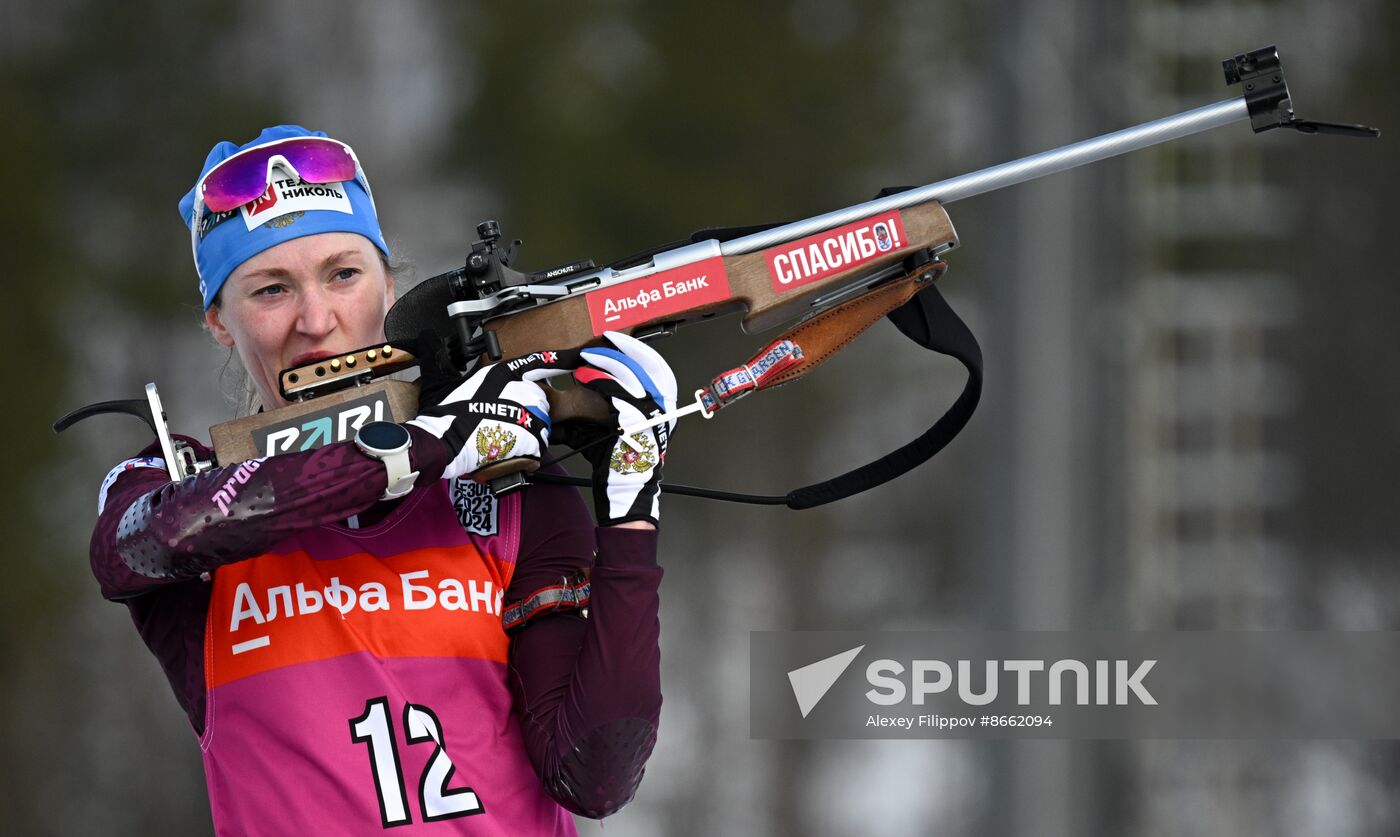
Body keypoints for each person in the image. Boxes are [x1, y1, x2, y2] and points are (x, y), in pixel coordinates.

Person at [89, 125, 675, 835]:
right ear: (219, 320)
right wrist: (421, 446)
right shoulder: (177, 483)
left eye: (343, 274)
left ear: (389, 286)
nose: (317, 320)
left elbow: (596, 773)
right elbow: (144, 542)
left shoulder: (497, 477)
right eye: (272, 288)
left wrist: (632, 498)